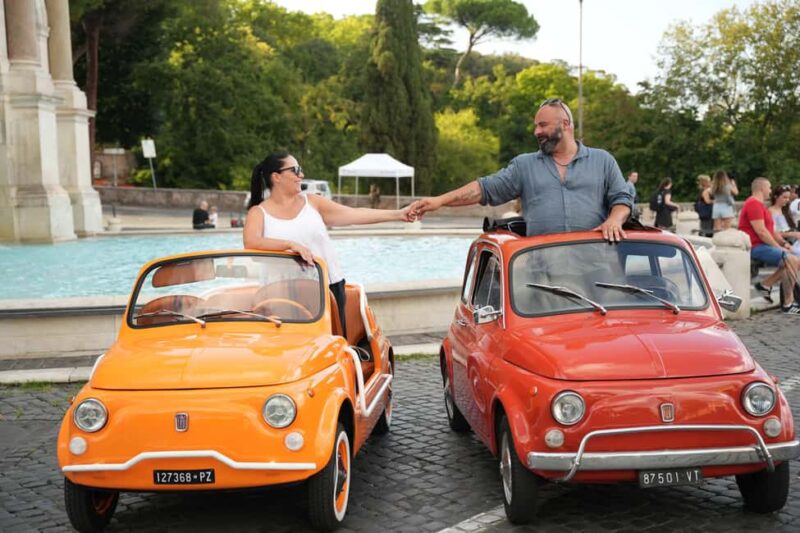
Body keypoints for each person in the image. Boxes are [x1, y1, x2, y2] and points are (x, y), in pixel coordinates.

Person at [243, 151, 417, 336]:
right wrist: (290, 245)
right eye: (295, 170)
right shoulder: (258, 212)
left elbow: (354, 214)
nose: (301, 175)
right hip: (280, 292)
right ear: (276, 177)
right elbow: (252, 243)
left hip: (327, 288)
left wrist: (398, 214)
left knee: (331, 346)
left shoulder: (313, 203)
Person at [412, 98, 632, 242]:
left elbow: (622, 199)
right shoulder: (524, 165)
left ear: (565, 124)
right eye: (536, 126)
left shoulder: (603, 160)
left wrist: (614, 220)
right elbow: (484, 189)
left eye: (542, 125)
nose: (536, 131)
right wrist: (439, 201)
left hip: (595, 270)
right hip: (543, 277)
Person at [739, 177, 800, 314]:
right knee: (792, 260)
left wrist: (784, 244)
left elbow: (771, 231)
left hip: (763, 246)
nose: (771, 190)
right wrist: (779, 248)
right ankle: (788, 303)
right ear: (762, 188)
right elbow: (761, 232)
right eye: (769, 187)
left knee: (794, 260)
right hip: (756, 247)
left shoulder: (760, 205)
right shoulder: (753, 204)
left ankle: (766, 285)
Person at [768, 185, 800, 256]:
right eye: (784, 197)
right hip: (783, 242)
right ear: (776, 197)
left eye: (788, 198)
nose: (787, 200)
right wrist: (792, 234)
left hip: (793, 239)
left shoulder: (786, 211)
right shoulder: (770, 211)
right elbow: (773, 232)